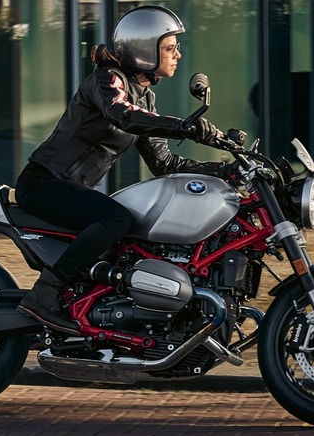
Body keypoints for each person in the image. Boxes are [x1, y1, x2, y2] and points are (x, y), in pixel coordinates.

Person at [15, 5, 228, 332]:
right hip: (44, 182)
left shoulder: (146, 100)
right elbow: (122, 114)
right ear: (145, 50)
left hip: (71, 189)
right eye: (169, 48)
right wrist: (185, 126)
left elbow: (165, 163)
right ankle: (45, 294)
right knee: (117, 218)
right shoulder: (108, 79)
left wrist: (224, 171)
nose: (178, 55)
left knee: (136, 235)